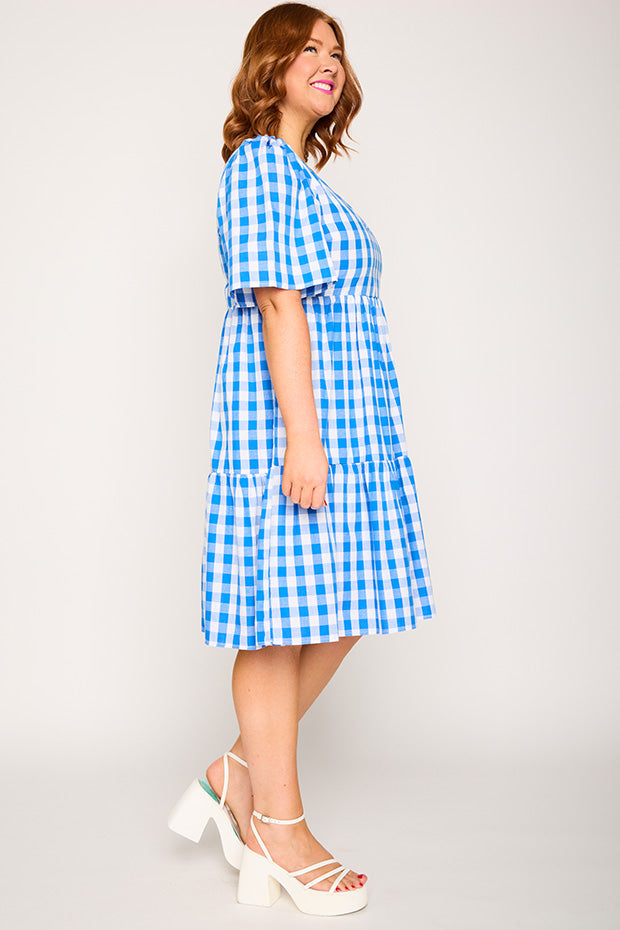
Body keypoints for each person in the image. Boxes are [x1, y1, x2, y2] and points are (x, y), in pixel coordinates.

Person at [168, 2, 436, 917]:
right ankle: (277, 829)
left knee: (339, 606)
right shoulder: (256, 167)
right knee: (278, 621)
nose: (329, 61)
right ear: (271, 65)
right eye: (310, 47)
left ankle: (235, 773)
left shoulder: (303, 180)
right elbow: (279, 303)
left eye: (338, 50)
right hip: (293, 423)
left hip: (348, 423)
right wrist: (303, 437)